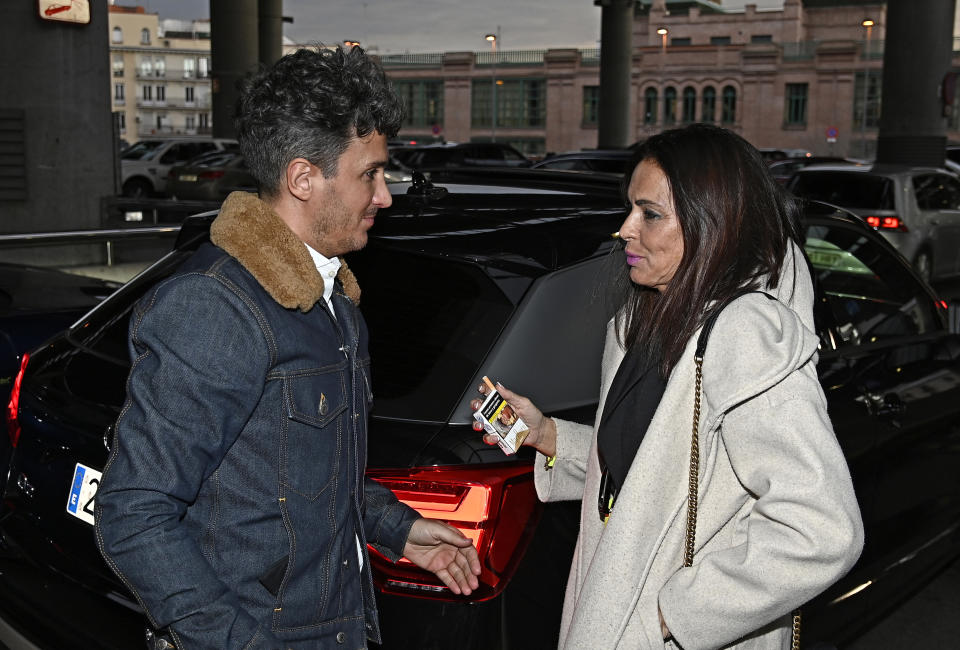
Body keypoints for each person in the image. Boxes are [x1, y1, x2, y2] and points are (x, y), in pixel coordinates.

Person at [96, 46, 480, 649]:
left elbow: (316, 474)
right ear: (304, 178)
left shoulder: (331, 300)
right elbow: (133, 513)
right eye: (370, 174)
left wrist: (398, 530)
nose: (385, 195)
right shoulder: (216, 308)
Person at [473, 124, 864, 649]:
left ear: (713, 223)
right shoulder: (643, 322)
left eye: (649, 214)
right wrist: (547, 435)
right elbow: (660, 479)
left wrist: (674, 613)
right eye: (630, 208)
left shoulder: (745, 334)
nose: (625, 229)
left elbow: (820, 529)